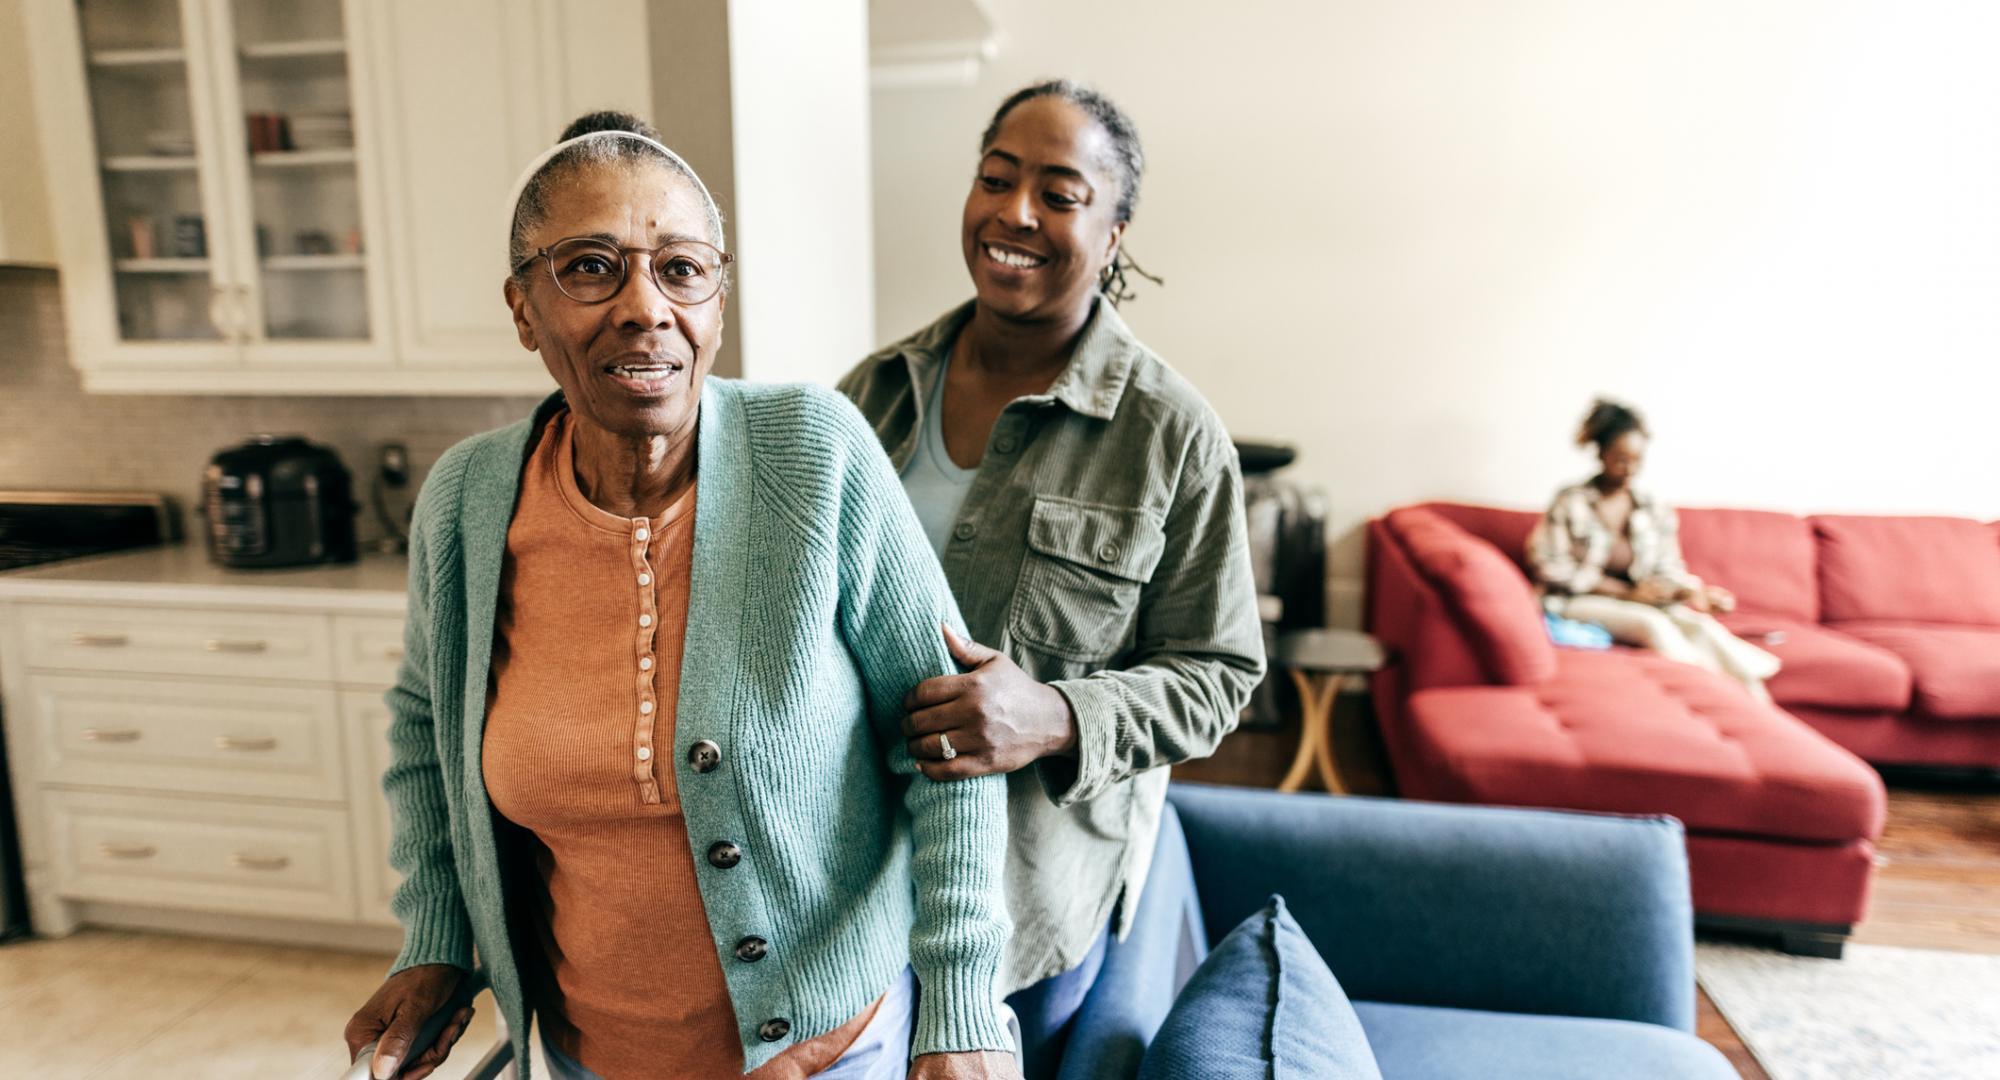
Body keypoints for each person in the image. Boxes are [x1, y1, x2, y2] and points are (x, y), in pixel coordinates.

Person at [342, 112, 1019, 1080]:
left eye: (680, 269)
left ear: (717, 299)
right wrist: (438, 936)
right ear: (522, 307)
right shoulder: (464, 500)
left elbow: (947, 735)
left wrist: (958, 1008)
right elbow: (425, 729)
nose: (643, 307)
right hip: (589, 1058)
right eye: (587, 267)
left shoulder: (813, 453)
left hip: (830, 1053)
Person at [838, 81, 1265, 1077]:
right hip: (844, 885)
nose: (1014, 213)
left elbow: (1219, 675)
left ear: (1112, 234)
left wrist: (1057, 714)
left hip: (1021, 902)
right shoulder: (870, 395)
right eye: (995, 178)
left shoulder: (1171, 436)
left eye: (1060, 194)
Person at [1527, 399, 1780, 699]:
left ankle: (1757, 705)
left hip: (1640, 601)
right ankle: (1707, 695)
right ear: (1602, 453)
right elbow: (1548, 565)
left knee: (1698, 626)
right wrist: (1623, 593)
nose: (1629, 469)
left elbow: (1667, 568)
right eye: (1621, 459)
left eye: (1637, 459)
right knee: (1653, 625)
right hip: (1575, 602)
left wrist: (1692, 593)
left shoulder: (1653, 509)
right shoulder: (1571, 501)